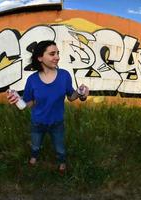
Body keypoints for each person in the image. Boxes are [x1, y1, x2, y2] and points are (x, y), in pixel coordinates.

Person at [7, 40, 89, 173]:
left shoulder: (64, 75)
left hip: (57, 123)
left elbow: (71, 97)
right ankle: (34, 157)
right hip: (37, 123)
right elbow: (30, 103)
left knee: (60, 147)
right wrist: (17, 101)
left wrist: (81, 94)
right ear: (40, 57)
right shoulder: (32, 80)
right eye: (52, 54)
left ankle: (62, 162)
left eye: (57, 53)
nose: (57, 57)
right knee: (35, 145)